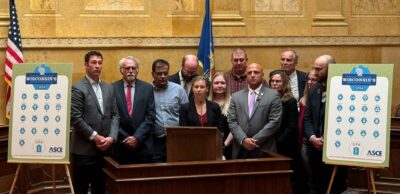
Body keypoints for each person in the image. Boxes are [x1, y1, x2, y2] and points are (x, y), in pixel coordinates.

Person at [70, 51, 119, 194]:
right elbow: (75, 117)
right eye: (93, 63)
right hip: (84, 150)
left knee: (101, 188)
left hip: (105, 150)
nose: (97, 66)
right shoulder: (78, 87)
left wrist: (112, 137)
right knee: (81, 189)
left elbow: (115, 115)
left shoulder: (108, 88)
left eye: (100, 63)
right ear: (86, 65)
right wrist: (96, 137)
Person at [304, 55, 347, 194]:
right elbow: (307, 118)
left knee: (335, 187)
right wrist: (312, 138)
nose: (315, 72)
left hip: (336, 149)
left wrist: (326, 138)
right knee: (317, 186)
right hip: (314, 149)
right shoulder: (314, 89)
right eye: (314, 68)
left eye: (318, 69)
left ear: (331, 69)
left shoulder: (344, 88)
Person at [228, 63, 282, 159]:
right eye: (249, 73)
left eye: (256, 72)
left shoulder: (273, 95)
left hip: (264, 149)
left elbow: (274, 122)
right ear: (246, 76)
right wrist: (243, 140)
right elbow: (232, 121)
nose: (252, 75)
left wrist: (254, 141)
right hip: (240, 149)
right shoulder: (236, 96)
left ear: (262, 74)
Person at [113, 56, 155, 164]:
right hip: (121, 145)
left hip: (143, 144)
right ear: (121, 70)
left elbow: (150, 116)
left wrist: (136, 137)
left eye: (133, 68)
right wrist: (127, 139)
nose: (131, 71)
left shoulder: (148, 88)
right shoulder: (111, 88)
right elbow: (111, 116)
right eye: (127, 68)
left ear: (137, 70)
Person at [269, 70, 303, 194]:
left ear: (284, 83)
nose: (274, 83)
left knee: (289, 175)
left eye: (278, 81)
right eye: (272, 81)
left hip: (286, 144)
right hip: (270, 143)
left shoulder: (290, 101)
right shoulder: (267, 99)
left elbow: (292, 126)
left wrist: (278, 141)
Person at [151, 59, 189, 162]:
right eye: (159, 74)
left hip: (177, 140)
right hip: (156, 141)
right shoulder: (147, 91)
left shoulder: (178, 90)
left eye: (165, 73)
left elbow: (187, 114)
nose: (163, 76)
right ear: (153, 74)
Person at [298, 71, 318, 194]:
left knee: (317, 177)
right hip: (304, 143)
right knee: (308, 176)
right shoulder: (303, 99)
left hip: (317, 142)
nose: (310, 82)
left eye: (313, 79)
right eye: (308, 79)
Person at [208, 72, 233, 159]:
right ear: (211, 85)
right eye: (216, 83)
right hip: (208, 146)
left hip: (228, 146)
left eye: (222, 83)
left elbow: (236, 127)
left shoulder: (234, 102)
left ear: (227, 85)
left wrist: (224, 146)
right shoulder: (205, 102)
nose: (219, 85)